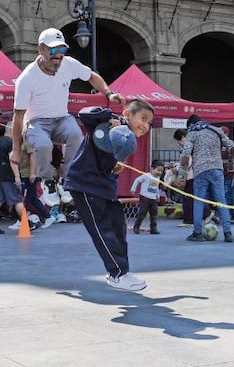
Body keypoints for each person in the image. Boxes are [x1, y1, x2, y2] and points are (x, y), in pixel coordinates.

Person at [10, 27, 125, 182]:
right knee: (44, 145)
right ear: (40, 49)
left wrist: (109, 94)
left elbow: (91, 76)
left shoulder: (69, 64)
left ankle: (66, 177)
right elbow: (18, 116)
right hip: (36, 123)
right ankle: (47, 181)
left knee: (77, 135)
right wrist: (16, 149)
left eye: (62, 50)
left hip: (61, 119)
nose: (58, 55)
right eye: (52, 51)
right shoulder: (26, 78)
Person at [63, 100, 155, 290]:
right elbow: (85, 114)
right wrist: (110, 117)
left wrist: (114, 166)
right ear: (128, 114)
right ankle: (117, 274)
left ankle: (122, 271)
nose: (145, 125)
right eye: (143, 119)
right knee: (102, 230)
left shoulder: (127, 139)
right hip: (85, 185)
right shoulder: (104, 126)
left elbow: (108, 163)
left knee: (118, 227)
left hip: (104, 187)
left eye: (149, 123)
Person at [180, 114, 234, 242]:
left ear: (190, 125)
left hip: (200, 170)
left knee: (199, 201)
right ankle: (228, 233)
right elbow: (231, 146)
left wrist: (182, 175)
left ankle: (197, 233)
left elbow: (185, 154)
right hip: (217, 169)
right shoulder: (216, 129)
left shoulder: (192, 132)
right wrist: (231, 163)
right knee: (221, 201)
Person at [0, 125, 36, 235]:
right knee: (17, 200)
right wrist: (17, 176)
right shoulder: (11, 143)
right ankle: (26, 223)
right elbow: (12, 160)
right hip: (8, 175)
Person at [131, 160, 164, 234]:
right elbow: (137, 180)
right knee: (142, 213)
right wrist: (133, 189)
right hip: (144, 197)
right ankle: (136, 227)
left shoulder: (158, 178)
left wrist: (157, 196)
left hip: (153, 199)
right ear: (152, 168)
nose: (159, 172)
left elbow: (156, 188)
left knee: (154, 214)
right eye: (158, 170)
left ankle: (153, 228)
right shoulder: (146, 175)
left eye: (161, 171)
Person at [172, 128, 195, 227]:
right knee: (191, 198)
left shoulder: (187, 147)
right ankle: (205, 214)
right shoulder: (190, 146)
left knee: (188, 199)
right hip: (191, 175)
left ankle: (189, 220)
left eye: (179, 140)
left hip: (190, 176)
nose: (179, 143)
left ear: (182, 138)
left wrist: (178, 170)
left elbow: (187, 163)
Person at [219, 126, 234, 223]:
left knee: (228, 195)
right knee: (225, 195)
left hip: (229, 174)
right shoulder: (217, 144)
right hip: (220, 174)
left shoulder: (231, 144)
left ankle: (229, 216)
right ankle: (233, 215)